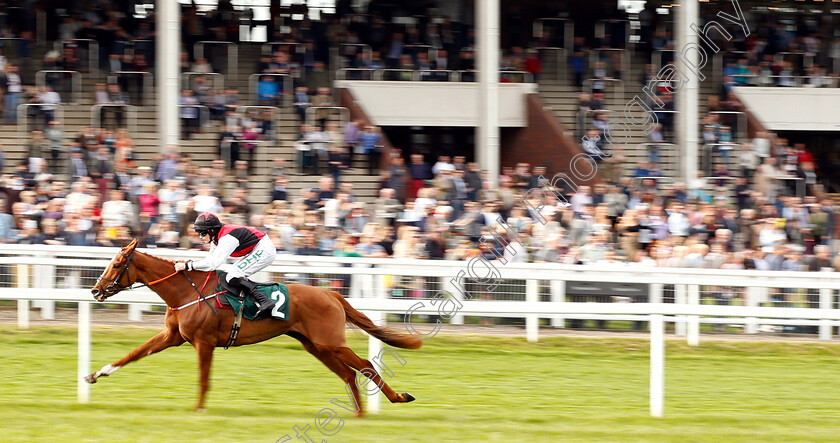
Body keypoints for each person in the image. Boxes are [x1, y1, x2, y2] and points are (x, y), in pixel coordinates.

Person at [175, 212, 277, 318]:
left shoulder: (227, 238)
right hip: (256, 249)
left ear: (212, 230)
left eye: (203, 233)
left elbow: (213, 264)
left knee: (233, 275)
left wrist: (188, 266)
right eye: (199, 233)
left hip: (264, 250)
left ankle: (265, 301)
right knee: (233, 275)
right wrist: (190, 264)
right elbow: (210, 259)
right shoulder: (215, 239)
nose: (201, 237)